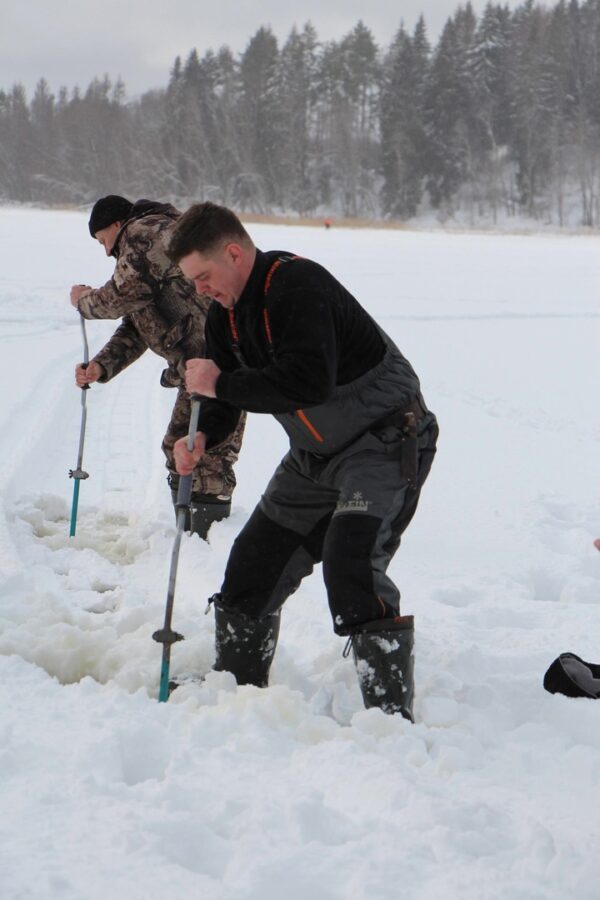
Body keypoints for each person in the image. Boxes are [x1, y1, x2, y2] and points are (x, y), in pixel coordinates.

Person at [169, 202, 438, 720]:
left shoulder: (297, 285)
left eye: (203, 276)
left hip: (382, 443)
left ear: (233, 252)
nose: (200, 289)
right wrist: (200, 435)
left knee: (350, 561)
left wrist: (219, 382)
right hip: (313, 457)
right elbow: (226, 399)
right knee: (252, 562)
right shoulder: (224, 315)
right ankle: (238, 690)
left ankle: (387, 719)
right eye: (192, 281)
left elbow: (307, 381)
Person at [70, 195, 245, 538]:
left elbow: (116, 299)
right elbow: (140, 322)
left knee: (206, 452)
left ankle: (208, 539)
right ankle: (190, 533)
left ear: (117, 225)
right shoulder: (148, 251)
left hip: (219, 364)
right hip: (197, 368)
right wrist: (101, 366)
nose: (105, 251)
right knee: (180, 446)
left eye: (103, 240)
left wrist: (82, 302)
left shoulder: (144, 232)